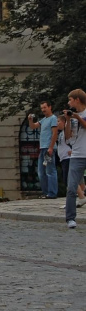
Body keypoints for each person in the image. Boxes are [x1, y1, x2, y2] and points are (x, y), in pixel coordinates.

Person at [63, 89, 86, 229]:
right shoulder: (72, 116)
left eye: (70, 100)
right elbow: (67, 136)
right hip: (77, 155)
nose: (68, 102)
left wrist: (78, 118)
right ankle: (70, 219)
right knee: (71, 188)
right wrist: (68, 120)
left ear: (77, 99)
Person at [28, 101, 58, 199]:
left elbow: (54, 133)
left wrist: (51, 147)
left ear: (50, 107)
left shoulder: (53, 118)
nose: (43, 110)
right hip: (43, 148)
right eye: (42, 108)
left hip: (48, 148)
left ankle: (52, 193)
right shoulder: (43, 120)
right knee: (41, 172)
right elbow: (33, 126)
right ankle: (46, 192)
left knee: (50, 170)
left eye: (45, 107)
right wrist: (30, 120)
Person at [56, 115, 86, 209]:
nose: (57, 123)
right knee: (78, 181)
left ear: (64, 122)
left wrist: (73, 151)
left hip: (68, 158)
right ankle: (81, 196)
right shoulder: (61, 133)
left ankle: (80, 198)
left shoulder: (67, 130)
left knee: (70, 180)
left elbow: (72, 141)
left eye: (58, 121)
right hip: (64, 158)